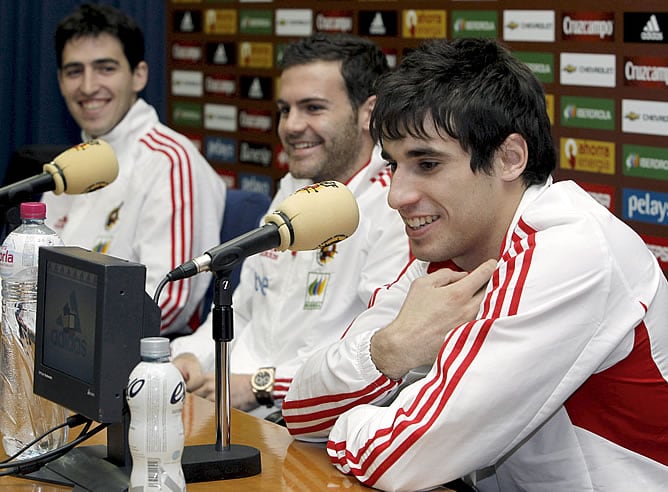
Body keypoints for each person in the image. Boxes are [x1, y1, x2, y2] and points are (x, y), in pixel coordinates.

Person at [282, 38, 668, 491]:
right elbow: (303, 412)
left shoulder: (572, 249)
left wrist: (360, 419)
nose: (395, 195)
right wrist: (390, 351)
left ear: (509, 158)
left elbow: (399, 458)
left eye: (427, 163)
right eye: (393, 166)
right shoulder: (453, 248)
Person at [170, 33, 411, 417]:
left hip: (305, 421)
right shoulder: (293, 187)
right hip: (232, 405)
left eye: (313, 108)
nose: (291, 126)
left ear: (370, 113)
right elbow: (246, 312)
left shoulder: (396, 206)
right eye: (285, 109)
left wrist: (260, 385)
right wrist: (190, 358)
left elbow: (376, 356)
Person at [44, 4, 226, 336]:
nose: (87, 87)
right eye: (74, 71)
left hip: (131, 365)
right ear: (59, 81)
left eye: (105, 68)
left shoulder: (169, 160)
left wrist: (65, 336)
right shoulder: (67, 166)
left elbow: (165, 302)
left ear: (139, 75)